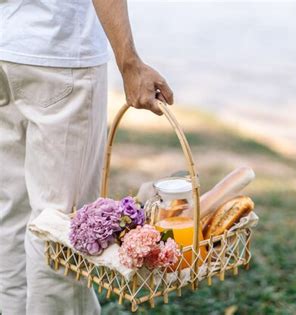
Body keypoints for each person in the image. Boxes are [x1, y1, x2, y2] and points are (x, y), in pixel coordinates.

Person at [0, 1, 173, 314]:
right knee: (62, 226)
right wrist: (130, 63)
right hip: (58, 53)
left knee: (11, 213)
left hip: (7, 50)